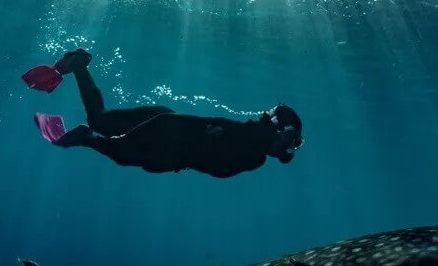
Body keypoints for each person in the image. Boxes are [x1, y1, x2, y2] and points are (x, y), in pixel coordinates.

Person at [42, 49, 304, 178]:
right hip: (167, 134)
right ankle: (84, 137)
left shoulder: (255, 140)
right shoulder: (254, 147)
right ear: (279, 130)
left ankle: (79, 64)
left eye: (293, 145)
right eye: (291, 140)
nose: (290, 148)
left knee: (100, 119)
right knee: (118, 152)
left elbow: (215, 157)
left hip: (167, 122)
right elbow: (217, 159)